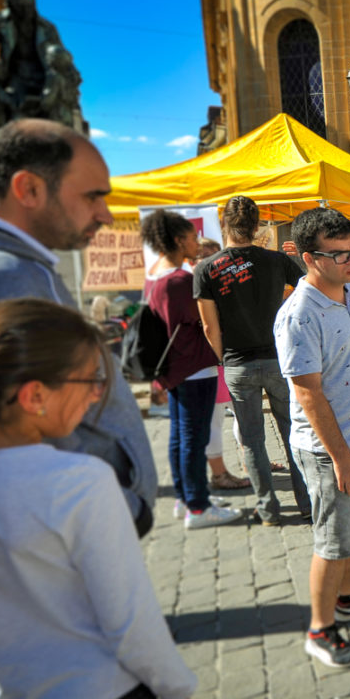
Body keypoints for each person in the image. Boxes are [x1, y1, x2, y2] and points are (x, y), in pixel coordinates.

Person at [0, 299, 198, 699]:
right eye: (91, 381)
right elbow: (129, 618)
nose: (96, 396)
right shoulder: (78, 481)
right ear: (34, 396)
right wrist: (176, 690)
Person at [0, 118, 156, 537]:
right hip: (65, 526)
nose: (105, 214)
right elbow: (8, 426)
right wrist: (120, 502)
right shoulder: (6, 276)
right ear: (29, 189)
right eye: (93, 196)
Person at [274, 207, 350, 669]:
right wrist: (342, 457)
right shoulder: (299, 315)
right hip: (331, 450)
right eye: (340, 253)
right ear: (310, 258)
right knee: (332, 541)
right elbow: (307, 394)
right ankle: (320, 628)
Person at [194, 195, 311, 525]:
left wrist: (221, 363)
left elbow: (208, 326)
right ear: (258, 225)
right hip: (279, 359)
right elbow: (309, 292)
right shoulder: (276, 261)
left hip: (237, 364)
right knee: (294, 432)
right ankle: (307, 503)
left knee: (252, 440)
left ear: (223, 225)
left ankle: (269, 509)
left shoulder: (206, 268)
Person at [142, 210, 242, 530]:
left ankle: (187, 498)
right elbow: (207, 321)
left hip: (174, 368)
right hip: (195, 366)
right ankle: (198, 507)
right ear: (177, 240)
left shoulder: (155, 277)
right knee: (194, 438)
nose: (196, 242)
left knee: (180, 436)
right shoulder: (182, 280)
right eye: (191, 237)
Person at [194, 237, 250, 491]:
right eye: (203, 255)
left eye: (213, 255)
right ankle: (220, 474)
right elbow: (206, 326)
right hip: (213, 360)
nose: (209, 260)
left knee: (243, 414)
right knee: (216, 419)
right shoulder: (199, 283)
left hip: (228, 358)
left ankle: (251, 463)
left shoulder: (215, 282)